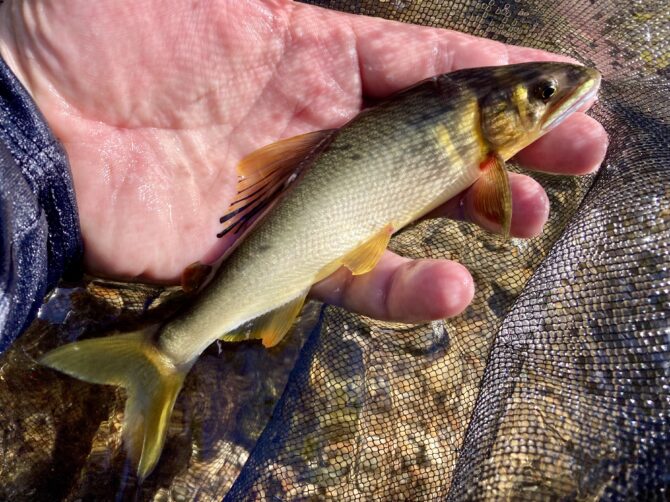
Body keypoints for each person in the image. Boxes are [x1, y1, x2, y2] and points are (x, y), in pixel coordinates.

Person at [0, 0, 608, 352]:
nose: (556, 95)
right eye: (540, 93)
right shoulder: (484, 158)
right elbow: (499, 215)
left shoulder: (480, 142)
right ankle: (169, 351)